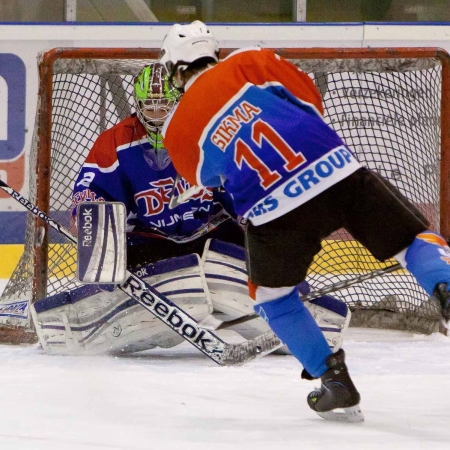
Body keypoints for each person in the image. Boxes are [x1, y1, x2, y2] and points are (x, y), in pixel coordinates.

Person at [159, 20, 450, 422]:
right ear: (214, 53)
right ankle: (446, 285)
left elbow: (207, 179)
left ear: (175, 70)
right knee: (410, 239)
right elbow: (310, 102)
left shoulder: (176, 127)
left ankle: (334, 382)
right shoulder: (251, 59)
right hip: (336, 171)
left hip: (273, 210)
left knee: (273, 298)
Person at [71, 62, 244, 269]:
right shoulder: (116, 142)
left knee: (257, 255)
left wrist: (252, 212)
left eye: (164, 106)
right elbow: (92, 189)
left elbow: (239, 181)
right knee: (110, 268)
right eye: (149, 107)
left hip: (210, 233)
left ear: (179, 102)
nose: (157, 116)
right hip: (150, 239)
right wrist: (88, 216)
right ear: (138, 105)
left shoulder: (207, 133)